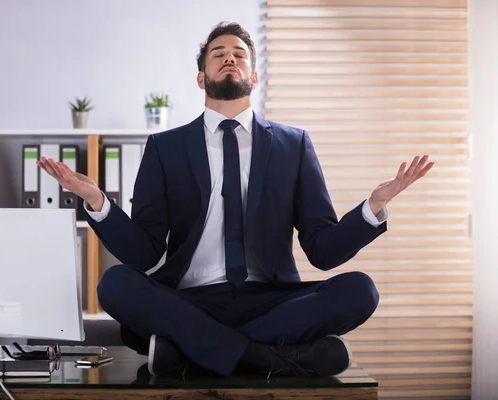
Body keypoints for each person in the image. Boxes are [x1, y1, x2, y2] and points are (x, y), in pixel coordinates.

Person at [38, 21, 434, 378]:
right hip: (190, 300)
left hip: (271, 302)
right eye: (219, 54)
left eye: (239, 54)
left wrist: (372, 209)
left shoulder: (293, 145)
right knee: (115, 284)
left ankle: (189, 351)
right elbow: (143, 253)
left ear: (254, 75)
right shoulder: (165, 147)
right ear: (201, 77)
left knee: (360, 290)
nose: (229, 57)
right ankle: (265, 358)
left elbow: (322, 251)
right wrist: (96, 202)